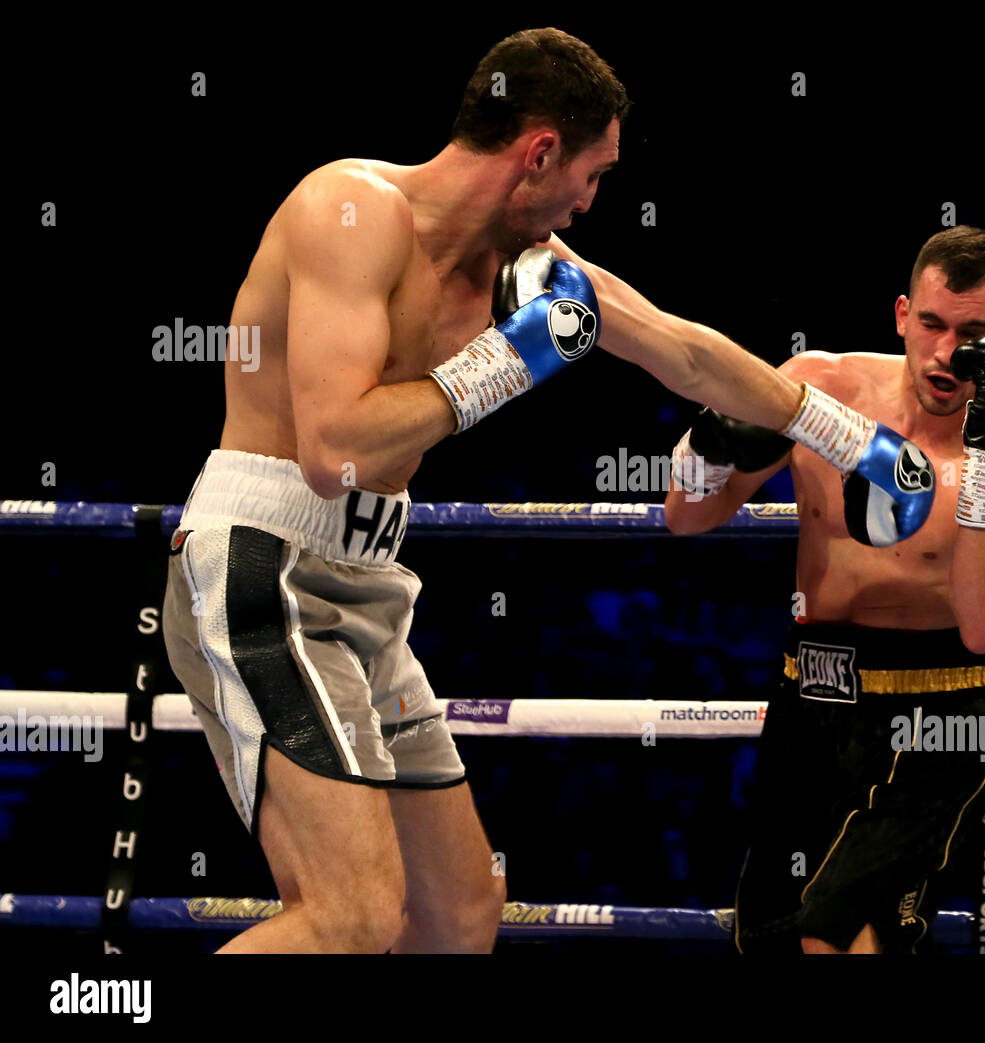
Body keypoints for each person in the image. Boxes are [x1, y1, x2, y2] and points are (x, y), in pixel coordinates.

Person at [160, 27, 934, 954]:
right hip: (263, 566)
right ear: (538, 152)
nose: (591, 201)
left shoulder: (522, 265)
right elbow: (335, 451)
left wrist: (853, 440)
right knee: (351, 917)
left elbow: (684, 350)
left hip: (363, 585)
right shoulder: (348, 212)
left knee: (457, 912)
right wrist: (507, 360)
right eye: (592, 174)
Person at [664, 226, 985, 953]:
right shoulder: (821, 389)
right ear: (902, 315)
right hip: (811, 697)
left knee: (839, 937)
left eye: (974, 334)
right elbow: (687, 513)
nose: (947, 353)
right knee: (775, 936)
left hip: (944, 708)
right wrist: (711, 440)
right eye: (934, 324)